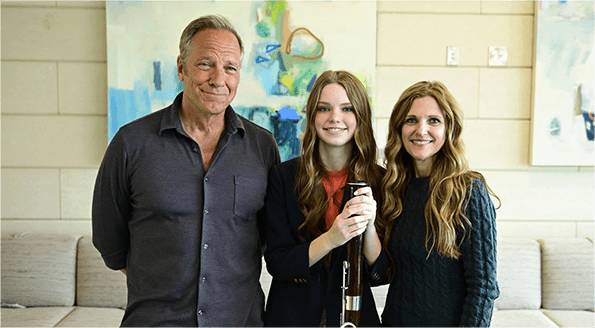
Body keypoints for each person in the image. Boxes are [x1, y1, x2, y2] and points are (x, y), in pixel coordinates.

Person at [92, 15, 280, 327]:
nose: (218, 79)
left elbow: (268, 234)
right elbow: (110, 242)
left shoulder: (262, 145)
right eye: (206, 64)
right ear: (182, 67)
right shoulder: (130, 143)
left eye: (230, 68)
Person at [263, 70, 388, 327]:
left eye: (347, 109)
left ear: (361, 116)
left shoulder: (381, 180)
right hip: (291, 318)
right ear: (312, 116)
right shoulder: (283, 177)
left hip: (355, 318)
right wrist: (331, 238)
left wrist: (370, 227)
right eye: (324, 108)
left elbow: (382, 273)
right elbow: (278, 263)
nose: (335, 118)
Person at [377, 80, 500, 328]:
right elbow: (386, 271)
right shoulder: (393, 188)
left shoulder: (469, 191)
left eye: (434, 120)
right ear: (399, 128)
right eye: (411, 120)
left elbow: (483, 286)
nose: (421, 130)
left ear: (449, 129)